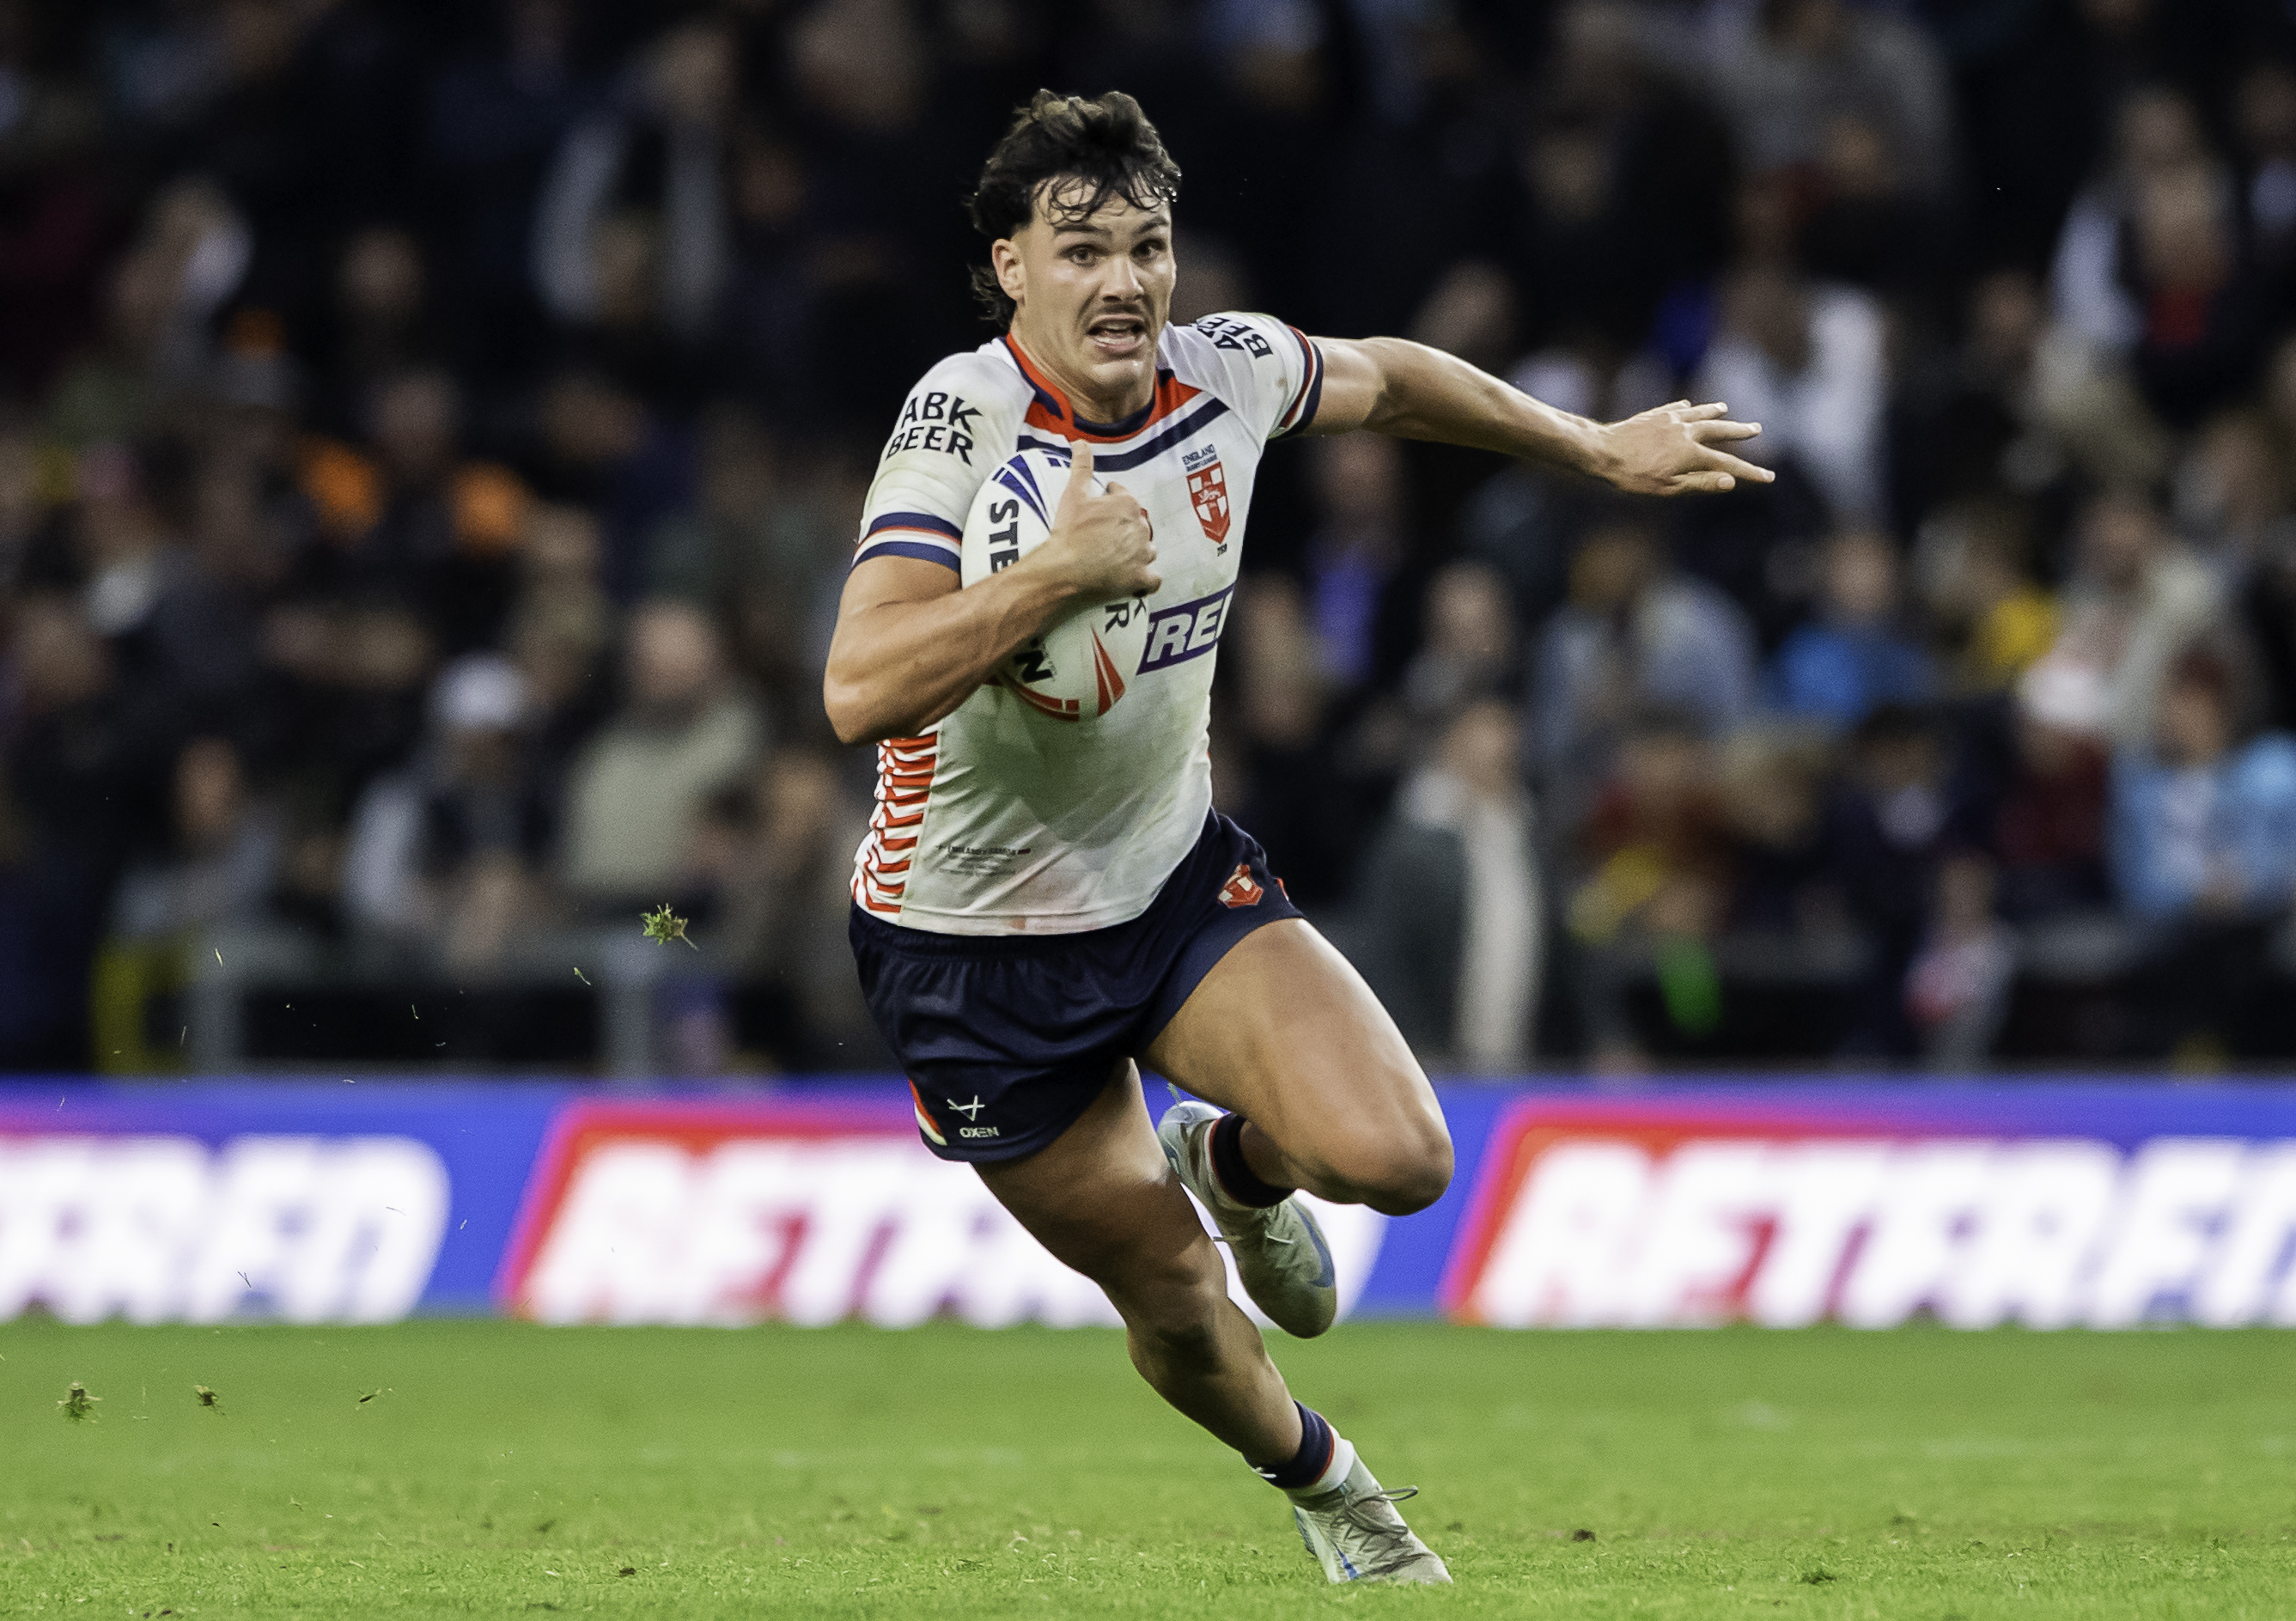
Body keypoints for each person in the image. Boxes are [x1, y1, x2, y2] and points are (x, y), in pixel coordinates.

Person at [821, 91, 1770, 1587]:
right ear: (1010, 266)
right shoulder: (960, 421)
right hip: (969, 954)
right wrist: (1050, 576)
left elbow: (1390, 378)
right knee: (1181, 1306)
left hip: (1167, 879)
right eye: (1080, 251)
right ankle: (1333, 1492)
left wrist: (1589, 446)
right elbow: (857, 686)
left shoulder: (1229, 373)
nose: (1125, 280)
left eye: (1148, 245)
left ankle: (1238, 1162)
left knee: (1397, 1161)